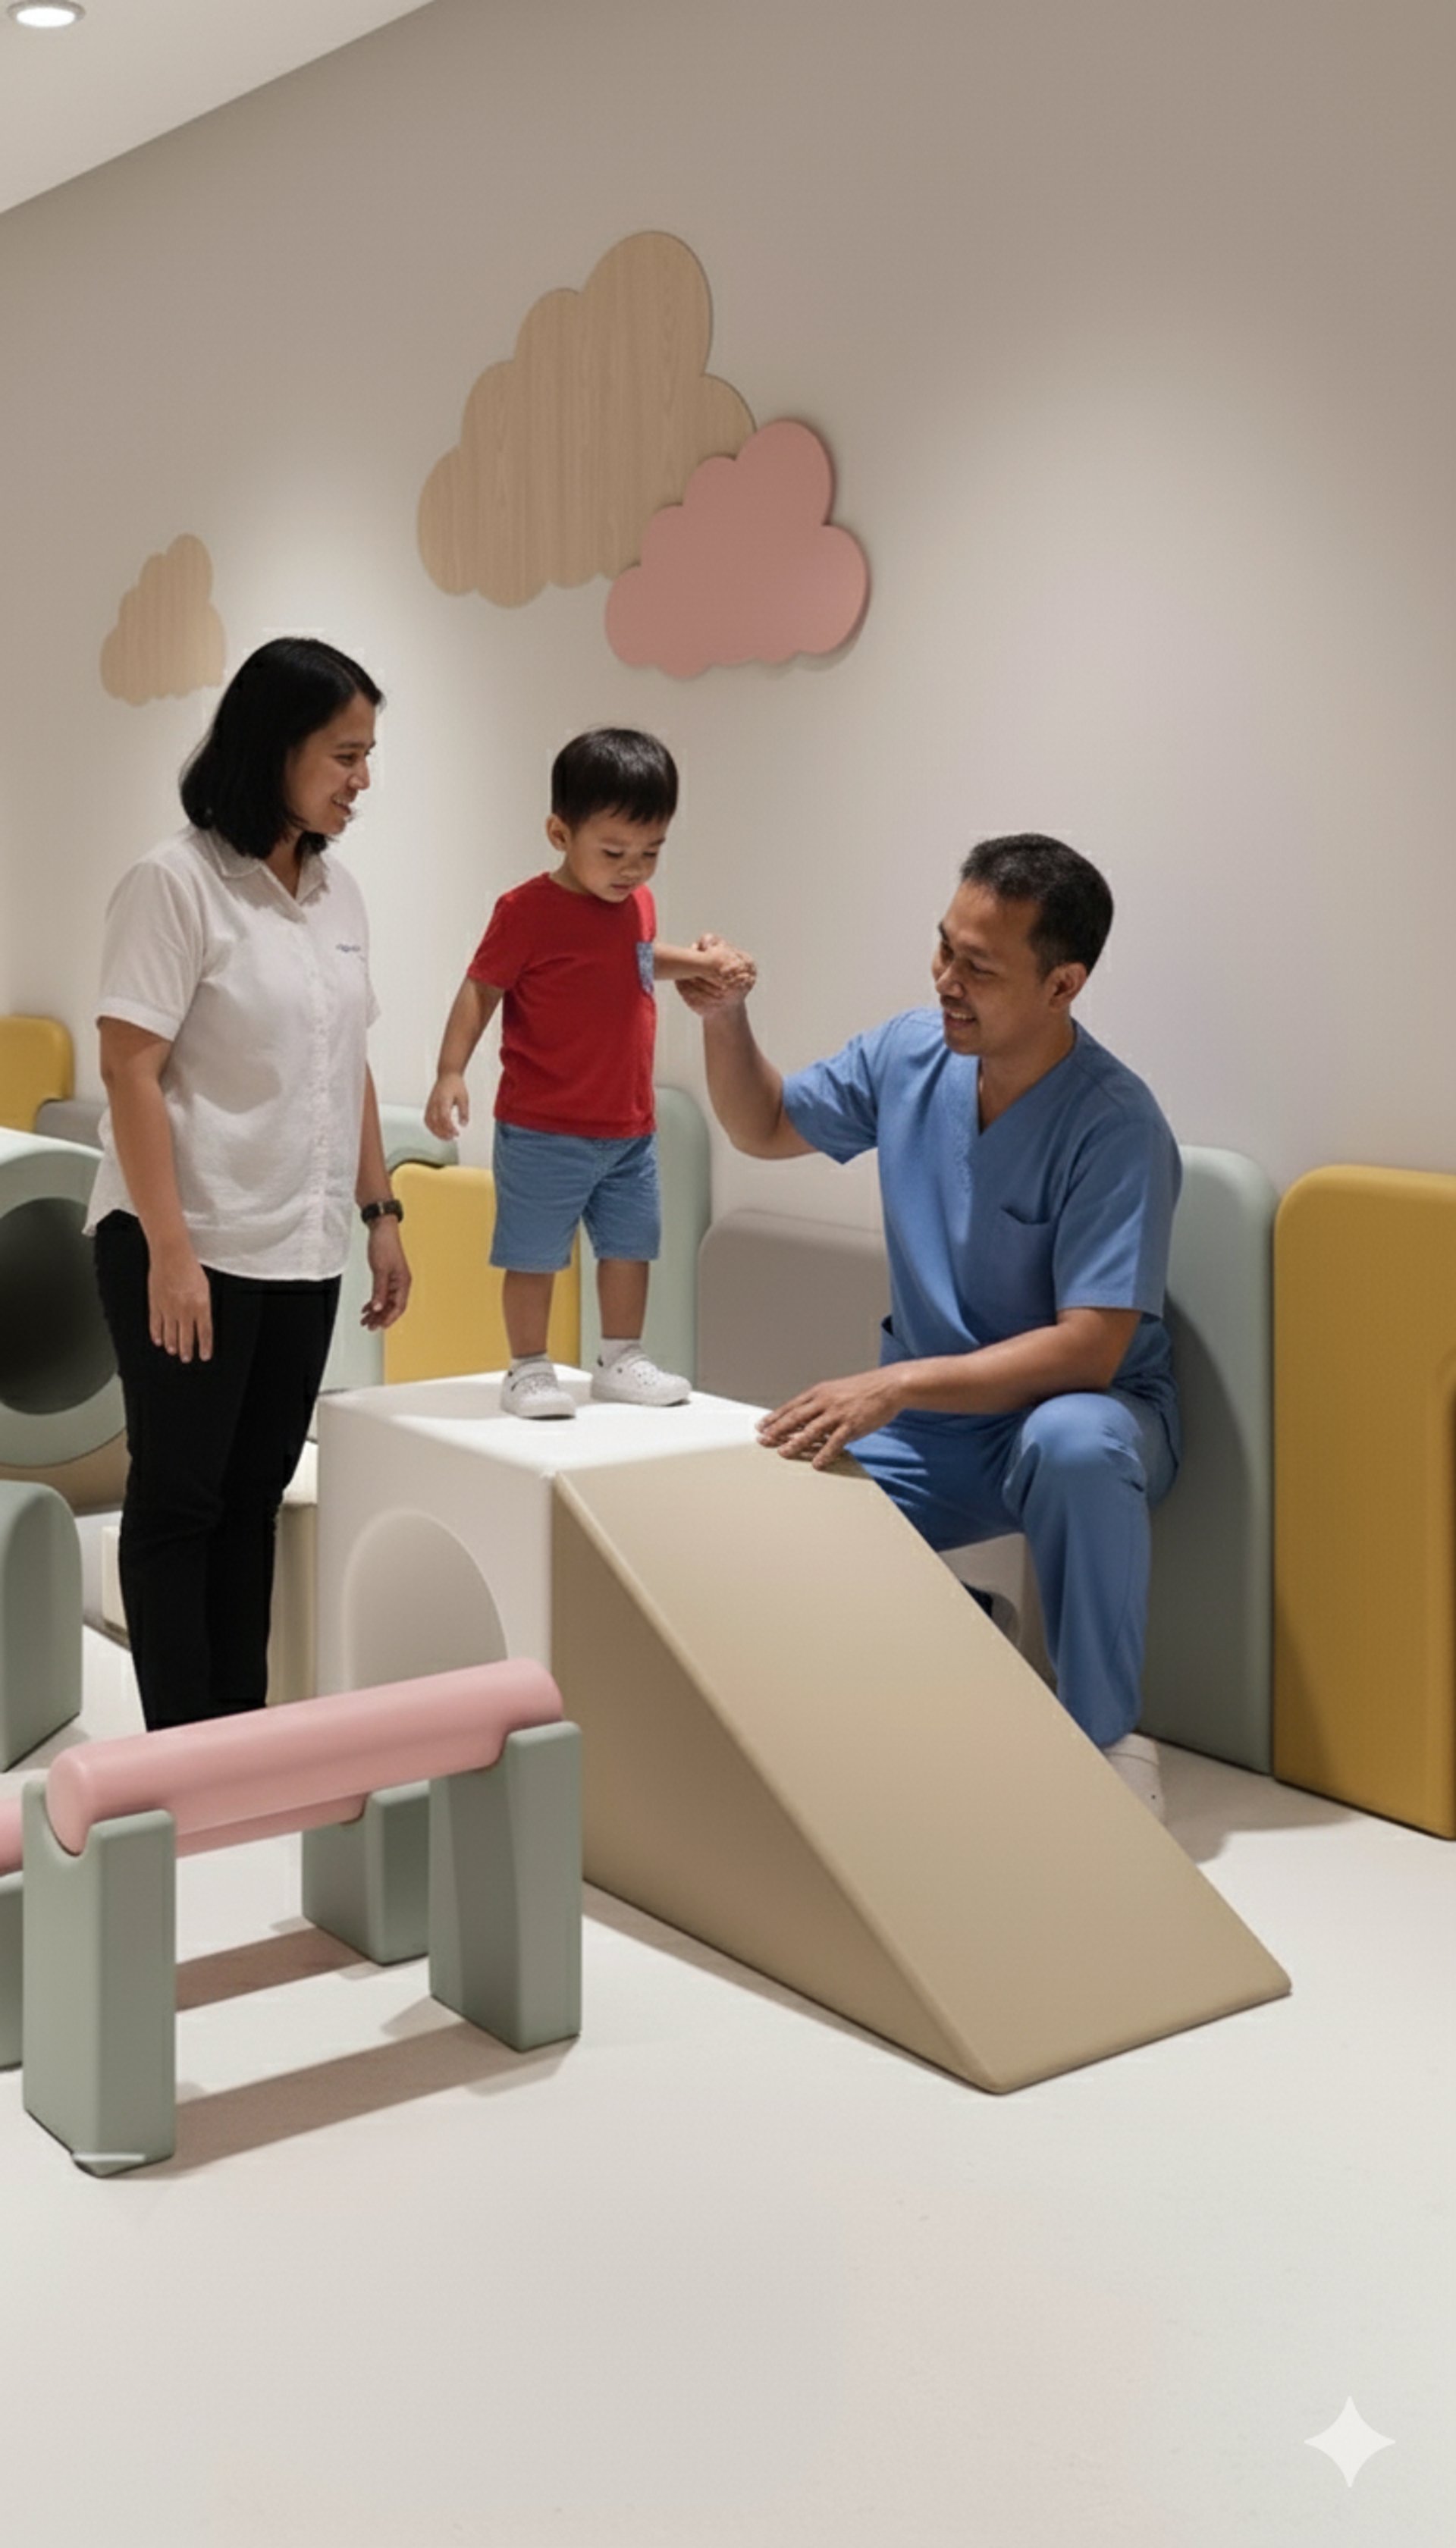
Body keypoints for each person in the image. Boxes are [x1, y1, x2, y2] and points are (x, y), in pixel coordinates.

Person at [683, 833, 1180, 1817]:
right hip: (933, 1427)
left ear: (1063, 985)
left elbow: (1091, 1348)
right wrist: (726, 1019)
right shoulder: (909, 1054)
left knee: (1071, 1441)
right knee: (759, 1514)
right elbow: (763, 1125)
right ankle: (964, 1635)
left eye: (979, 967)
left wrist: (898, 1382)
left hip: (1086, 1416)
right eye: (945, 946)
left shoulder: (1116, 1125)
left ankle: (1105, 1745)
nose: (946, 978)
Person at [88, 637, 411, 1731]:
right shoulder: (174, 883)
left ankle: (239, 1735)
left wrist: (380, 1213)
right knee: (180, 1502)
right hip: (188, 1243)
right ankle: (179, 1754)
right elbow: (129, 1068)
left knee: (253, 1501)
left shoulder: (338, 893)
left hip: (301, 1249)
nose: (363, 779)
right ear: (276, 749)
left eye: (367, 755)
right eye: (346, 755)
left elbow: (349, 1061)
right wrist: (171, 1252)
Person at [425, 726, 752, 1419]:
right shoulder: (525, 912)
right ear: (559, 833)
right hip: (543, 1126)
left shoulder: (637, 906)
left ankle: (621, 1357)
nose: (633, 869)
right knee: (534, 1254)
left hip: (628, 1125)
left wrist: (702, 964)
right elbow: (480, 989)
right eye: (613, 852)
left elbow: (636, 959)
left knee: (630, 1248)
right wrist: (451, 1071)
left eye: (651, 852)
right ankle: (527, 1367)